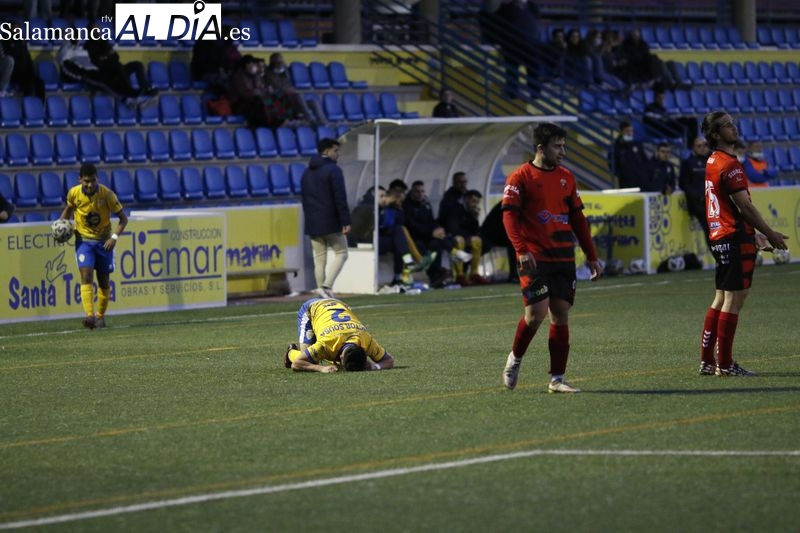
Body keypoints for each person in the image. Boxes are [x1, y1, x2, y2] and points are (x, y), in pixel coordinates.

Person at [501, 122, 602, 393]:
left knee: (560, 314)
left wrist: (591, 256)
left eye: (563, 145)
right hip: (534, 256)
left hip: (563, 257)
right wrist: (521, 250)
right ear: (540, 148)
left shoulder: (567, 178)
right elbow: (508, 216)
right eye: (557, 146)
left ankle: (557, 379)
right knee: (535, 315)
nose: (563, 151)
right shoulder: (520, 177)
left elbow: (578, 220)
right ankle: (515, 359)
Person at [696, 111, 788, 377]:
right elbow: (744, 206)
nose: (733, 128)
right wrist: (769, 232)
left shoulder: (713, 160)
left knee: (722, 297)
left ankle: (707, 360)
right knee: (735, 299)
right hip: (732, 236)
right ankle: (724, 364)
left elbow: (729, 206)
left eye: (733, 123)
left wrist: (753, 235)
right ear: (715, 134)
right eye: (726, 125)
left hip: (722, 234)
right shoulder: (729, 164)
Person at [58, 163, 128, 330]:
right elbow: (68, 210)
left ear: (98, 178)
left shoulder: (107, 195)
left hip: (104, 242)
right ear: (80, 180)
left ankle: (100, 316)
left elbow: (123, 219)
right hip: (83, 240)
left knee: (104, 281)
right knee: (86, 275)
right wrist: (61, 225)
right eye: (86, 181)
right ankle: (89, 316)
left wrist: (114, 238)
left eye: (93, 180)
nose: (90, 184)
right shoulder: (74, 193)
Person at [284, 296, 394, 373]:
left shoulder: (365, 339)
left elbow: (389, 360)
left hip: (340, 304)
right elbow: (297, 364)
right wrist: (321, 369)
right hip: (312, 308)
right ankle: (290, 354)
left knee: (322, 358)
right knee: (309, 360)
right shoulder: (326, 343)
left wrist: (375, 367)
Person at [301, 138, 351, 298]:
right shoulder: (333, 170)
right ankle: (327, 286)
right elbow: (340, 198)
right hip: (331, 220)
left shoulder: (306, 172)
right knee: (342, 253)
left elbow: (304, 198)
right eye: (336, 151)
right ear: (327, 151)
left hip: (313, 221)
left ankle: (321, 291)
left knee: (320, 258)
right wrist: (345, 220)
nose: (338, 154)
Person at [403, 180, 471, 288]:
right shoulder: (407, 206)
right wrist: (431, 232)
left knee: (436, 243)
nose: (420, 194)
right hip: (414, 238)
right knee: (424, 244)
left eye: (422, 191)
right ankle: (452, 255)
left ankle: (437, 275)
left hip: (427, 236)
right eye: (417, 191)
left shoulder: (426, 204)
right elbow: (412, 226)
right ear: (411, 192)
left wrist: (437, 229)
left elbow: (431, 222)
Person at [84, 23, 157, 100]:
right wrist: (108, 56)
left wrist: (106, 57)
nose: (97, 32)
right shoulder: (89, 45)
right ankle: (129, 91)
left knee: (137, 64)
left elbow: (116, 56)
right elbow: (98, 62)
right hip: (106, 74)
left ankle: (145, 88)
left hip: (116, 70)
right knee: (118, 66)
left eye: (98, 29)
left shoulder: (104, 42)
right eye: (95, 30)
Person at [263, 52, 326, 125]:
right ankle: (310, 120)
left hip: (293, 100)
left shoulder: (284, 72)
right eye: (278, 62)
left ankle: (323, 123)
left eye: (282, 62)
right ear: (273, 63)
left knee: (313, 102)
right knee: (298, 95)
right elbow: (276, 89)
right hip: (283, 102)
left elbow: (289, 85)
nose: (281, 64)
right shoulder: (269, 75)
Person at [444, 189, 488, 286]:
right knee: (460, 240)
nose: (475, 204)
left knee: (477, 240)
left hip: (465, 238)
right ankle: (460, 275)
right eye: (473, 201)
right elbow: (453, 228)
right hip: (450, 238)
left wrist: (475, 218)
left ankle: (474, 273)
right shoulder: (455, 208)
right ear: (466, 199)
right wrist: (466, 237)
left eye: (477, 202)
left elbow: (475, 232)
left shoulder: (472, 212)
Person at [679, 136, 711, 246]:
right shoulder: (688, 163)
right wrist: (698, 196)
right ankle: (720, 259)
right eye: (699, 146)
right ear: (693, 148)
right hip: (700, 204)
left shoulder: (713, 160)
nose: (703, 148)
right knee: (711, 232)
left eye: (705, 145)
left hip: (715, 202)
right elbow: (683, 184)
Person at [643, 84, 698, 148]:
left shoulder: (662, 109)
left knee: (691, 120)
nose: (662, 100)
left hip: (667, 126)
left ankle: (694, 143)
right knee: (685, 127)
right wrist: (661, 119)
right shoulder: (650, 107)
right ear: (655, 98)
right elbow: (647, 120)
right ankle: (692, 146)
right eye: (660, 98)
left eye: (663, 98)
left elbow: (665, 119)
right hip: (660, 129)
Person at [1, 21, 45, 100]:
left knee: (39, 82)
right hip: (12, 73)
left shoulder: (21, 41)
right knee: (29, 84)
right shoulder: (4, 41)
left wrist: (31, 71)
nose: (17, 31)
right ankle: (28, 103)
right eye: (14, 29)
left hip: (23, 72)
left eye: (18, 29)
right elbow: (6, 61)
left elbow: (27, 58)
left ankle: (41, 105)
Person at [480, 200, 518, 282]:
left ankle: (516, 274)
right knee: (514, 243)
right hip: (493, 233)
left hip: (500, 232)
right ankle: (514, 275)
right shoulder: (510, 202)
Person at [609, 120, 648, 189]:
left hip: (640, 181)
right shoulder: (616, 147)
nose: (630, 133)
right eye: (627, 131)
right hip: (625, 182)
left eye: (631, 131)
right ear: (621, 132)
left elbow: (645, 160)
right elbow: (612, 164)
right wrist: (621, 175)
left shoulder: (638, 144)